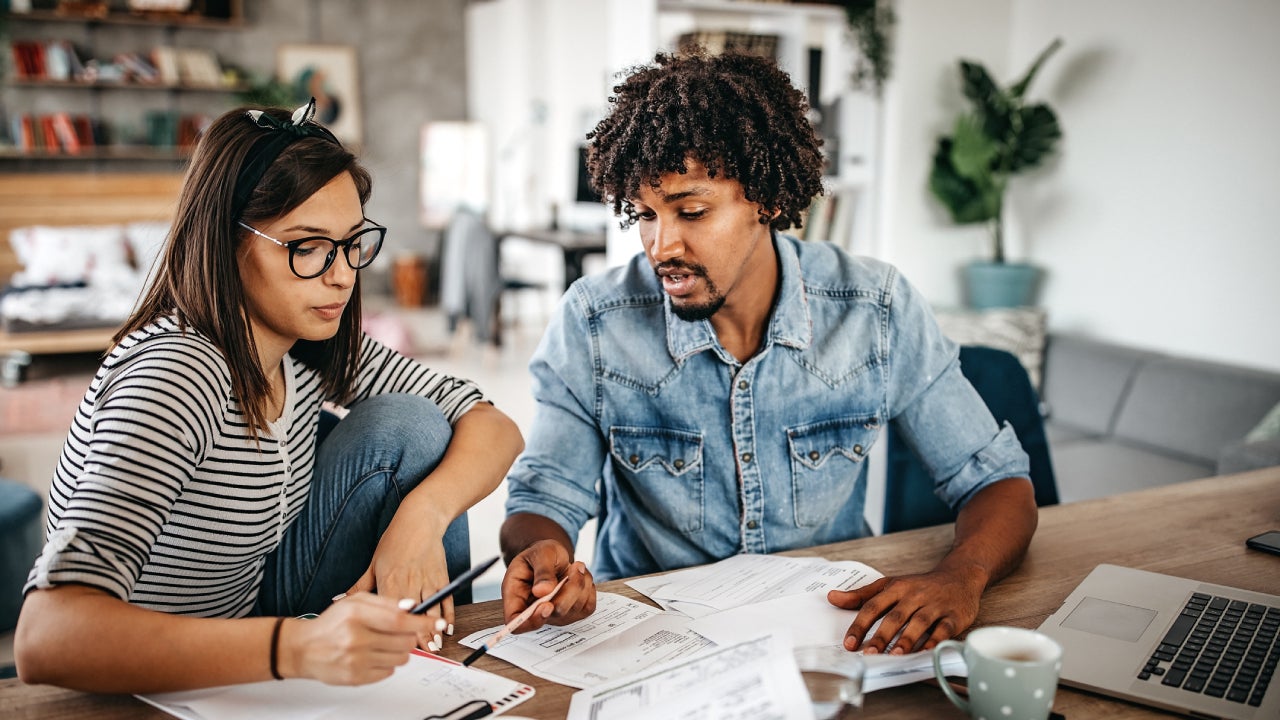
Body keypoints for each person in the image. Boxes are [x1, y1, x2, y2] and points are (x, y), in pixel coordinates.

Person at [498, 51, 1038, 656]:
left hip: (832, 635)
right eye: (645, 214)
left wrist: (962, 575)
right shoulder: (596, 323)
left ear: (767, 201)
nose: (661, 245)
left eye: (691, 211)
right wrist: (543, 555)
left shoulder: (874, 309)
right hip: (655, 641)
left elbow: (997, 482)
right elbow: (543, 499)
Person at [15, 100, 523, 692]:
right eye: (306, 247)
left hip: (253, 609)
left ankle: (440, 682)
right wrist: (299, 647)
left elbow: (493, 425)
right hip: (156, 671)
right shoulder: (176, 375)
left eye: (352, 242)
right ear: (226, 240)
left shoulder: (304, 345)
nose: (342, 275)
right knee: (409, 427)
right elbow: (44, 636)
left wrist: (420, 519)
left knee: (416, 426)